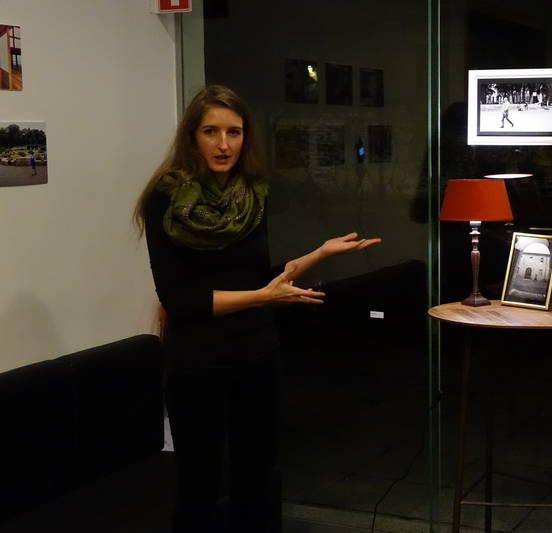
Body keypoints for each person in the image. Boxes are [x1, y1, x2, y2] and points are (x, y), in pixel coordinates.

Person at [133, 85, 380, 533]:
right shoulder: (165, 199)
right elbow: (181, 301)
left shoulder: (252, 195)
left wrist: (318, 254)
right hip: (197, 360)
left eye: (234, 132)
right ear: (192, 136)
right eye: (211, 131)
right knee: (200, 482)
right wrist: (266, 297)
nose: (223, 144)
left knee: (259, 476)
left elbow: (256, 277)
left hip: (256, 352)